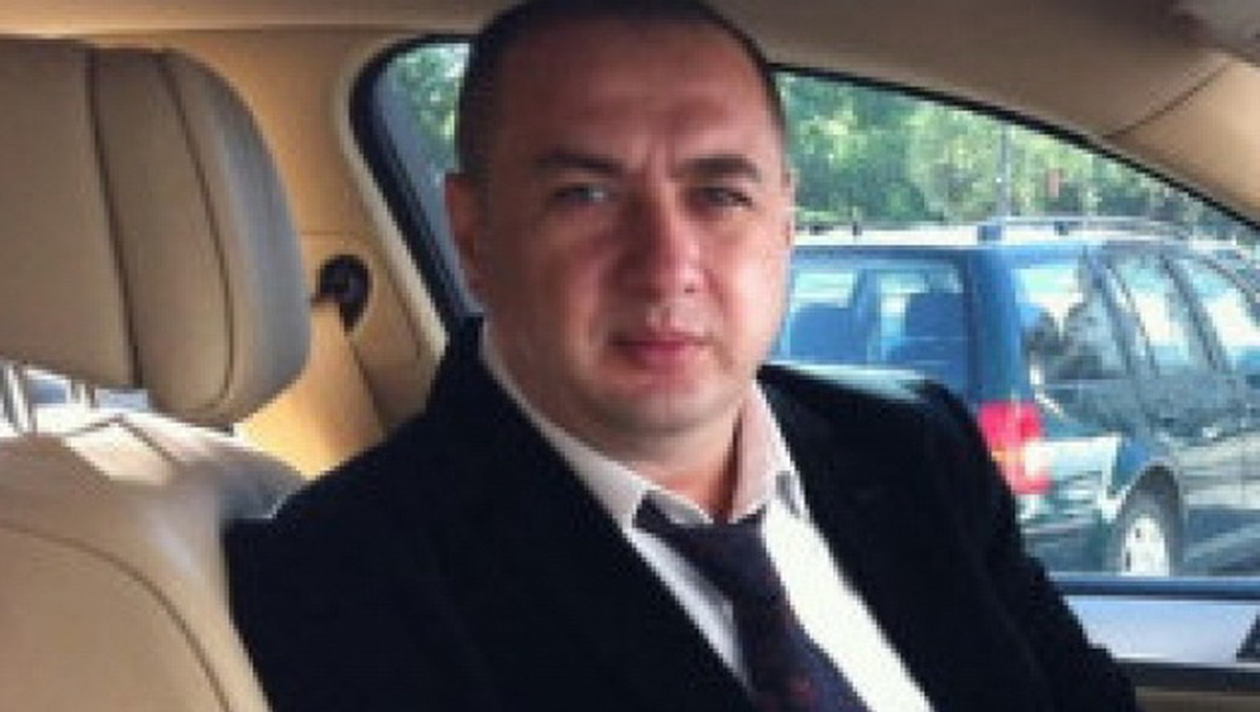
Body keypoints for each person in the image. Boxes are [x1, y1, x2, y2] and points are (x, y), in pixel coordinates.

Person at [226, 1, 1140, 710]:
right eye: (585, 195)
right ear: (474, 234)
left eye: (720, 195)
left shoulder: (911, 447)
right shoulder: (348, 577)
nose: (666, 266)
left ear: (785, 221)